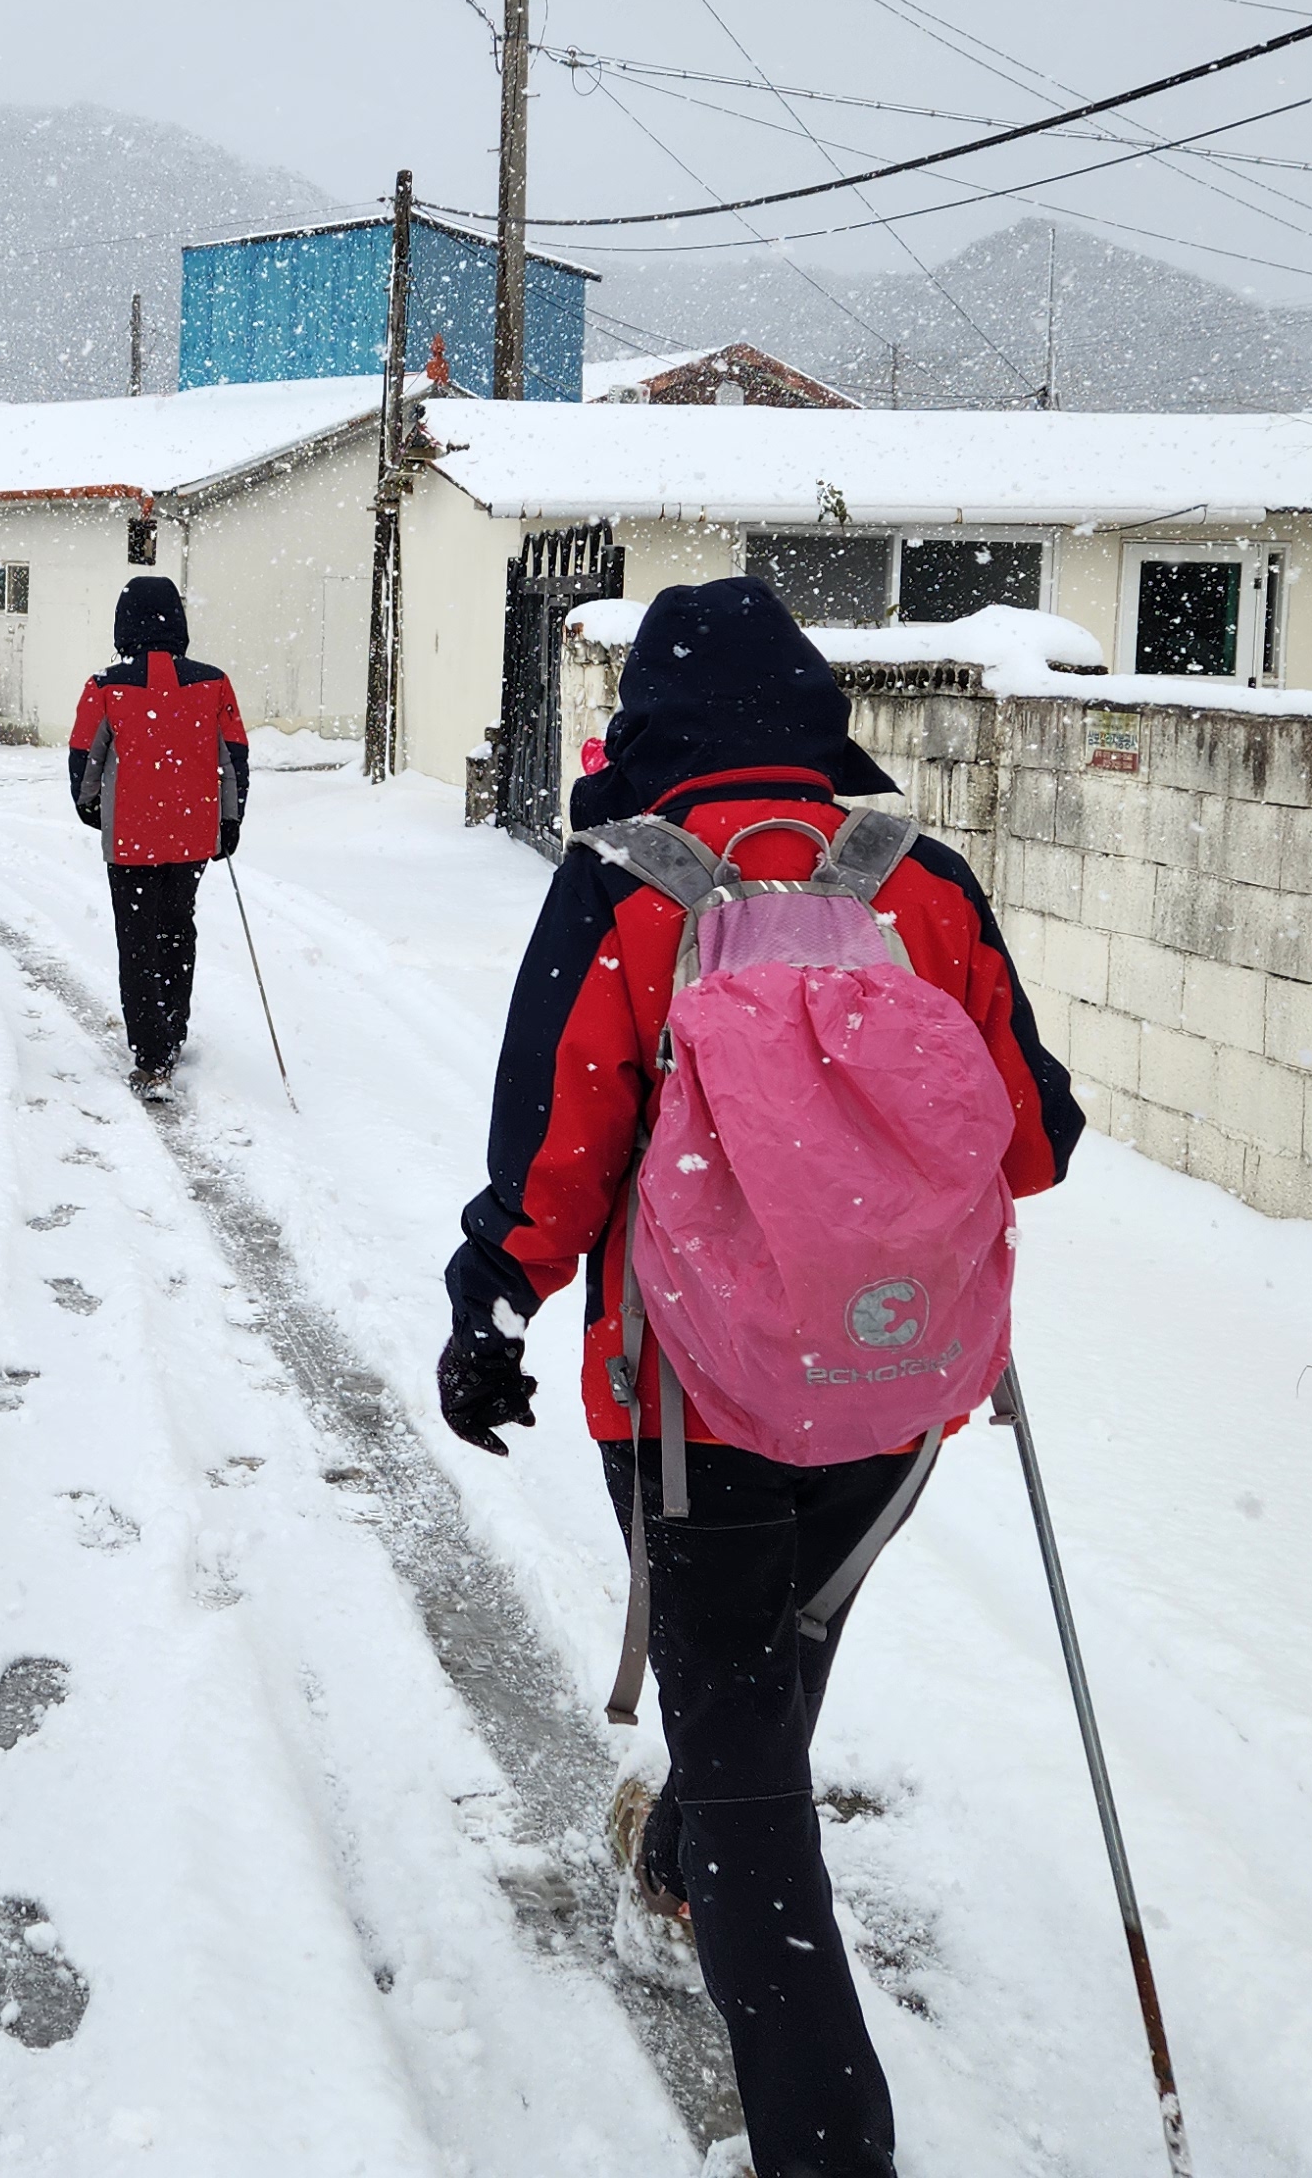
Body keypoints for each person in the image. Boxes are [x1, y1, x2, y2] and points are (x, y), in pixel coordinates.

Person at [434, 579, 1078, 2178]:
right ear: (812, 714)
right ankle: (686, 1858)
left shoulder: (625, 883)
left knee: (741, 1748)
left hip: (690, 1399)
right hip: (895, 1382)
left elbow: (556, 1145)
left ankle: (824, 2143)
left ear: (649, 718)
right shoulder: (921, 879)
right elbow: (1036, 1137)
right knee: (780, 1657)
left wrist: (490, 1303)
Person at [67, 573, 248, 1096]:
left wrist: (92, 807)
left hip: (131, 837)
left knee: (137, 939)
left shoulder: (105, 686)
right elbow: (233, 757)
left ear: (123, 624)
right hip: (191, 835)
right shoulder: (214, 683)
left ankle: (151, 1054)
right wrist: (230, 819)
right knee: (177, 930)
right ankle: (173, 1031)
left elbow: (84, 758)